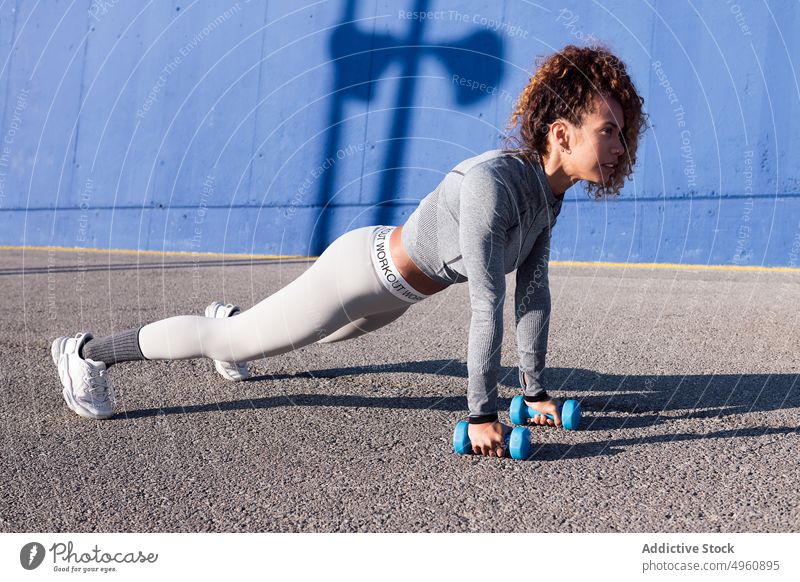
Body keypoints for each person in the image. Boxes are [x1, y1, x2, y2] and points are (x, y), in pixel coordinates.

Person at [51, 44, 646, 457]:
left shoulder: (549, 195)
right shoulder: (495, 185)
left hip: (396, 296)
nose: (620, 145)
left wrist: (536, 391)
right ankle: (87, 353)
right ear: (561, 134)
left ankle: (232, 319)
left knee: (297, 337)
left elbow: (533, 295)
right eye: (608, 130)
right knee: (235, 345)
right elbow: (489, 306)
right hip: (359, 273)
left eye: (623, 132)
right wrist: (482, 412)